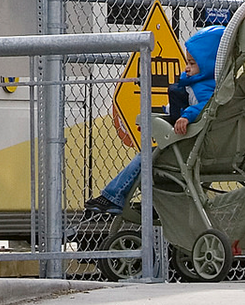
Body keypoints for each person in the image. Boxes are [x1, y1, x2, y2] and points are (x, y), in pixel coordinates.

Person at [87, 24, 226, 216]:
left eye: (193, 63)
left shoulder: (206, 87)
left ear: (209, 62)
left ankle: (114, 195)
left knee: (146, 156)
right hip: (205, 146)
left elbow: (205, 105)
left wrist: (186, 115)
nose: (187, 68)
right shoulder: (218, 86)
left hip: (191, 147)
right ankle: (157, 204)